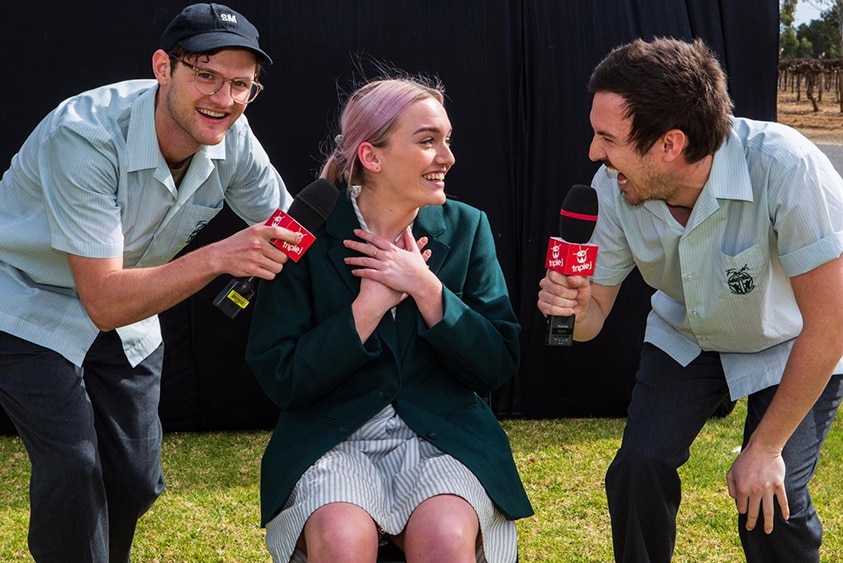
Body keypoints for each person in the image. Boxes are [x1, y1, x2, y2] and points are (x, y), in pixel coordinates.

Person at [0, 3, 297, 561]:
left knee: (135, 479)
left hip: (127, 299)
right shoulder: (83, 133)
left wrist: (380, 243)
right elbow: (104, 301)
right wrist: (219, 258)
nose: (224, 99)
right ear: (164, 67)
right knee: (74, 466)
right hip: (24, 299)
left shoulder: (232, 133)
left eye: (241, 85)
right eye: (205, 75)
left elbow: (289, 226)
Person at [537, 37, 843, 562]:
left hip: (791, 341)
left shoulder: (786, 167)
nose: (593, 152)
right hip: (687, 338)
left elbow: (832, 324)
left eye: (607, 138)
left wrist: (765, 449)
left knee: (772, 496)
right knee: (637, 468)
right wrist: (572, 308)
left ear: (669, 145)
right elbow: (592, 320)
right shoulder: (612, 187)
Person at [246, 74, 533, 563]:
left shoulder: (467, 227)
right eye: (427, 142)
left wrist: (426, 288)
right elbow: (282, 377)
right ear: (370, 156)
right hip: (332, 438)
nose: (447, 157)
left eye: (447, 140)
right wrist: (367, 308)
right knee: (340, 539)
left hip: (444, 437)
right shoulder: (299, 230)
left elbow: (497, 364)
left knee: (443, 539)